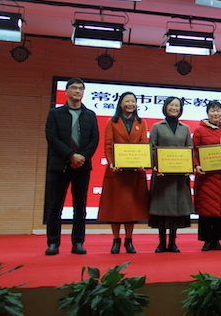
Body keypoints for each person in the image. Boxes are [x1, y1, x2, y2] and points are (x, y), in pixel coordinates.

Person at [44, 78, 99, 255]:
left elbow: (94, 139)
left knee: (80, 206)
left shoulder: (90, 115)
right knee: (55, 205)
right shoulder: (55, 114)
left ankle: (78, 243)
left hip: (82, 167)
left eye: (80, 88)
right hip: (59, 166)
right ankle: (53, 243)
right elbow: (52, 138)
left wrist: (82, 157)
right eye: (74, 88)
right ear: (66, 91)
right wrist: (71, 155)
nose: (77, 91)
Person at [98, 92, 150, 254]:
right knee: (115, 208)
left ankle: (129, 240)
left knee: (131, 209)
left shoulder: (141, 122)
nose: (130, 104)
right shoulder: (112, 122)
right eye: (127, 101)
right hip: (117, 172)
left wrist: (143, 162)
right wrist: (111, 163)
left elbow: (143, 144)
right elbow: (108, 145)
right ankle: (115, 240)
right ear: (120, 103)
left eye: (133, 101)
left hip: (135, 173)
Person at [149, 96, 195, 253]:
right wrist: (156, 166)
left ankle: (173, 243)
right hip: (162, 175)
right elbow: (152, 148)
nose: (174, 108)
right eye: (171, 105)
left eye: (177, 105)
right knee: (162, 210)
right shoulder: (157, 126)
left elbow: (189, 148)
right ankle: (161, 243)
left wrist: (189, 166)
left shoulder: (185, 128)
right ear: (165, 107)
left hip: (179, 176)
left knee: (176, 210)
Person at [193, 101, 221, 251]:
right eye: (213, 111)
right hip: (206, 177)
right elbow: (194, 151)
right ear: (207, 113)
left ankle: (217, 240)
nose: (215, 113)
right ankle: (206, 240)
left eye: (218, 111)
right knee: (206, 209)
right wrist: (196, 165)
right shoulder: (199, 130)